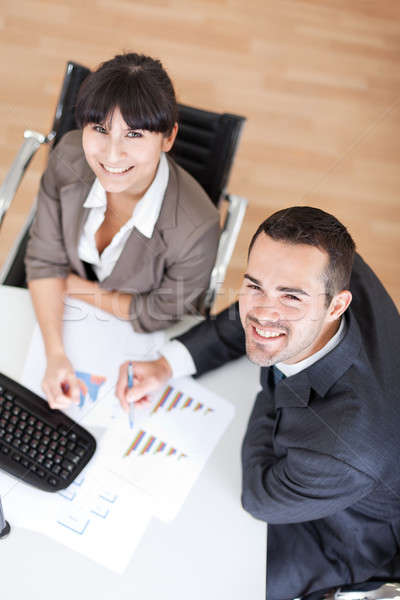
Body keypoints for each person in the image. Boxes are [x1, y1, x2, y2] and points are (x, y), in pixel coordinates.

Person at [116, 206, 400, 600]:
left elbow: (259, 496)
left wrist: (270, 383)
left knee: (185, 578)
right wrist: (169, 363)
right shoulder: (330, 266)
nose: (264, 310)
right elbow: (257, 315)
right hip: (313, 477)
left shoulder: (344, 450)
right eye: (254, 286)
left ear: (337, 305)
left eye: (291, 297)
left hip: (338, 540)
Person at [25, 52, 220, 411]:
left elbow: (160, 312)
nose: (112, 155)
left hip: (130, 346)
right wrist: (55, 355)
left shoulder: (198, 229)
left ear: (168, 137)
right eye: (99, 129)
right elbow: (42, 260)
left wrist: (70, 285)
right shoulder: (69, 156)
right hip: (66, 324)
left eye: (134, 134)